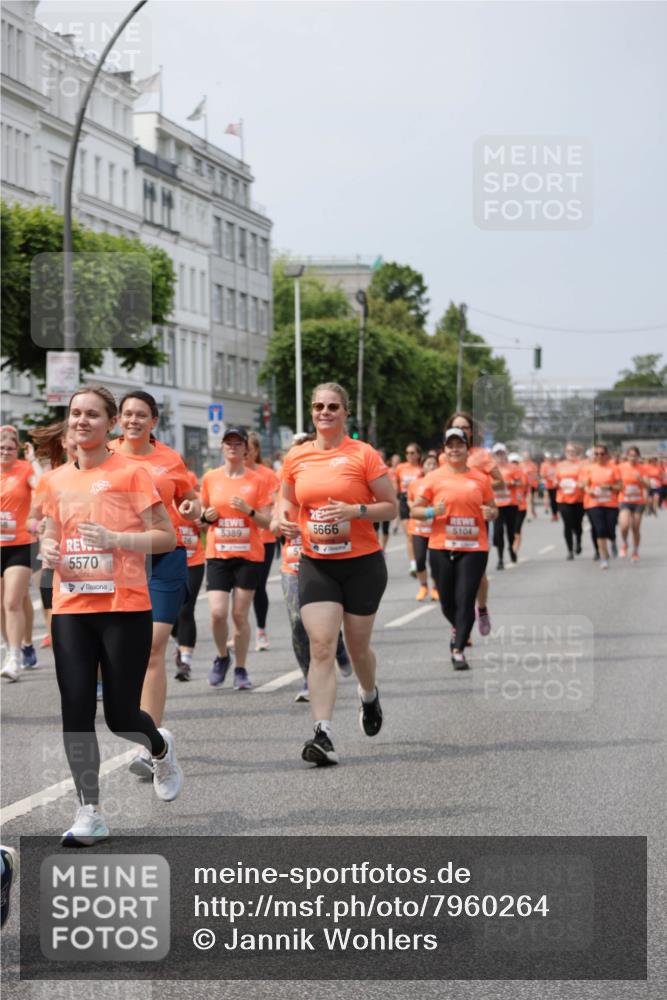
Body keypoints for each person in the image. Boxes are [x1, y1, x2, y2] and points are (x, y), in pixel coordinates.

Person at [40, 386, 183, 846]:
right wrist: (46, 546)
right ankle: (90, 812)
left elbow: (165, 537)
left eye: (92, 415)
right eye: (75, 413)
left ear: (110, 425)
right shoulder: (55, 480)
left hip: (124, 607)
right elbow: (49, 531)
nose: (82, 421)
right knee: (75, 710)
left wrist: (117, 540)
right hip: (72, 607)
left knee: (121, 716)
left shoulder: (132, 473)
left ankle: (159, 747)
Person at [280, 382, 397, 766]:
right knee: (322, 645)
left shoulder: (363, 455)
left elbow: (390, 507)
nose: (325, 412)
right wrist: (284, 518)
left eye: (333, 406)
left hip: (362, 564)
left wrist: (355, 512)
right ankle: (323, 733)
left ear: (346, 412)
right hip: (317, 562)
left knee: (358, 648)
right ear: (311, 412)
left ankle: (368, 694)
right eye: (318, 406)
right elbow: (287, 500)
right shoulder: (297, 457)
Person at [111, 392, 200, 780]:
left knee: (153, 647)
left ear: (154, 421)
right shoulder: (105, 454)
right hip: (119, 559)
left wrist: (193, 509)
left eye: (141, 415)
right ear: (118, 419)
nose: (133, 420)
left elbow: (190, 499)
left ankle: (150, 746)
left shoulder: (169, 459)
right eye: (128, 414)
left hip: (166, 556)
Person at [273, 434, 351, 704]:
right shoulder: (283, 492)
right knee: (297, 624)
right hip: (292, 565)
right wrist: (281, 525)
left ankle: (338, 646)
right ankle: (308, 676)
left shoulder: (321, 488)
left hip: (320, 561)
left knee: (323, 625)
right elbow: (272, 526)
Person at [413, 428, 497, 670]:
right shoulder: (433, 478)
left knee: (465, 597)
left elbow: (492, 508)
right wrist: (431, 512)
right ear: (444, 450)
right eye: (450, 445)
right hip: (441, 544)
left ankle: (458, 649)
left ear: (467, 448)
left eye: (459, 444)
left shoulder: (480, 478)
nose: (454, 449)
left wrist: (491, 512)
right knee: (447, 600)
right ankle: (459, 626)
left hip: (473, 546)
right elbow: (415, 510)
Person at [202, 427, 273, 691]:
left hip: (248, 555)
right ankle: (222, 657)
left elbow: (268, 522)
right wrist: (204, 516)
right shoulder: (210, 478)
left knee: (240, 615)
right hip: (218, 553)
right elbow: (201, 516)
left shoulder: (257, 480)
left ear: (246, 449)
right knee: (218, 613)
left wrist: (249, 510)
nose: (232, 446)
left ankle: (241, 668)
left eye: (238, 442)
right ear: (222, 447)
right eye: (228, 442)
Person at [443, 412, 502, 636]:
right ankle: (459, 622)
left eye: (465, 427)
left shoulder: (482, 456)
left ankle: (482, 609)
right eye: (456, 426)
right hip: (450, 521)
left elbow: (499, 481)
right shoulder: (445, 456)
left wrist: (477, 486)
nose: (462, 430)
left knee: (476, 575)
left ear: (472, 432)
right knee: (452, 576)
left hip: (477, 519)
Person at [0, 426, 40, 682]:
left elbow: (43, 485)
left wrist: (34, 460)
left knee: (13, 600)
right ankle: (10, 648)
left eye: (10, 448)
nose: (5, 452)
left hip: (22, 544)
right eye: (1, 448)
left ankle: (15, 656)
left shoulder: (25, 469)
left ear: (18, 450)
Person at [245, 431, 280, 652]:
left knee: (257, 585)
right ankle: (240, 629)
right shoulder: (230, 474)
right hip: (237, 539)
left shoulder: (267, 475)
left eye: (248, 447)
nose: (244, 451)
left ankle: (260, 630)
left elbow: (275, 504)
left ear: (256, 450)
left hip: (264, 538)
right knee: (238, 588)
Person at [172, 467, 205, 680]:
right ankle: (178, 639)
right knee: (168, 613)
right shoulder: (162, 502)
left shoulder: (196, 501)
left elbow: (207, 522)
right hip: (169, 561)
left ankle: (185, 662)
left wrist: (202, 519)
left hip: (193, 560)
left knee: (186, 608)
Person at [580, 443, 622, 570]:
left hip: (610, 504)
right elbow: (584, 485)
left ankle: (613, 541)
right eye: (596, 454)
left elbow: (620, 486)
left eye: (602, 454)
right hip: (594, 503)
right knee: (600, 530)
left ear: (607, 455)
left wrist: (608, 487)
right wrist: (589, 491)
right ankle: (604, 558)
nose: (599, 456)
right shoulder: (589, 469)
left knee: (610, 530)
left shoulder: (614, 468)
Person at [407, 454, 439, 601]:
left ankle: (436, 588)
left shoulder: (442, 484)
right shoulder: (415, 484)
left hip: (436, 530)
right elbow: (410, 500)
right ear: (423, 467)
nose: (431, 467)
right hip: (418, 528)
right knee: (419, 559)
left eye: (434, 464)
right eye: (428, 464)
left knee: (435, 562)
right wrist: (415, 509)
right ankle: (423, 586)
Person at [491, 443, 522, 570]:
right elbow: (487, 483)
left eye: (502, 453)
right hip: (497, 505)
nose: (500, 456)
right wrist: (496, 484)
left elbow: (519, 481)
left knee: (510, 531)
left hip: (510, 504)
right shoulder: (491, 469)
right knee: (498, 532)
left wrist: (510, 482)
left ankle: (511, 549)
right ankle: (500, 559)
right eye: (497, 454)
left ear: (506, 454)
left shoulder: (513, 467)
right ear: (494, 455)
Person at [395, 444, 423, 576]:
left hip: (419, 501)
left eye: (412, 453)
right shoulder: (401, 468)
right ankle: (413, 564)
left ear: (418, 454)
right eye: (407, 453)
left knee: (420, 534)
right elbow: (396, 483)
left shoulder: (421, 469)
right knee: (409, 534)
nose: (409, 455)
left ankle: (421, 559)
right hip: (404, 500)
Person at [617, 447, 648, 561]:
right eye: (630, 455)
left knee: (635, 528)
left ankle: (635, 551)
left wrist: (641, 480)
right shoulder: (621, 467)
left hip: (638, 501)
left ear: (638, 456)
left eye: (635, 455)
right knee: (624, 525)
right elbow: (616, 482)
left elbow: (647, 485)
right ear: (627, 456)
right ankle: (625, 543)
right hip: (624, 500)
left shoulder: (642, 468)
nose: (632, 458)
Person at [555, 442, 584, 560]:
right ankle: (570, 550)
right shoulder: (560, 465)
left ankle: (578, 540)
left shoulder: (581, 465)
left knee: (577, 524)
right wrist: (557, 483)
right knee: (567, 524)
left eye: (573, 451)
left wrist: (575, 483)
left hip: (578, 499)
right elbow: (555, 480)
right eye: (568, 451)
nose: (570, 453)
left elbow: (584, 481)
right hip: (563, 498)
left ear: (577, 453)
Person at [509, 453, 529, 558]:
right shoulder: (504, 473)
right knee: (510, 531)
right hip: (508, 506)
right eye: (512, 462)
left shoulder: (523, 474)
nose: (514, 465)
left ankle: (514, 550)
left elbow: (525, 488)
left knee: (517, 530)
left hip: (521, 507)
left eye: (515, 462)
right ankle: (511, 547)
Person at [540, 453, 559, 520]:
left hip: (556, 485)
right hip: (547, 484)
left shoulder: (558, 464)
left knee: (556, 499)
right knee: (549, 497)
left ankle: (555, 513)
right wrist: (549, 475)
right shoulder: (544, 465)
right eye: (550, 458)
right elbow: (542, 475)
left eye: (553, 459)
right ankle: (550, 510)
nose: (552, 460)